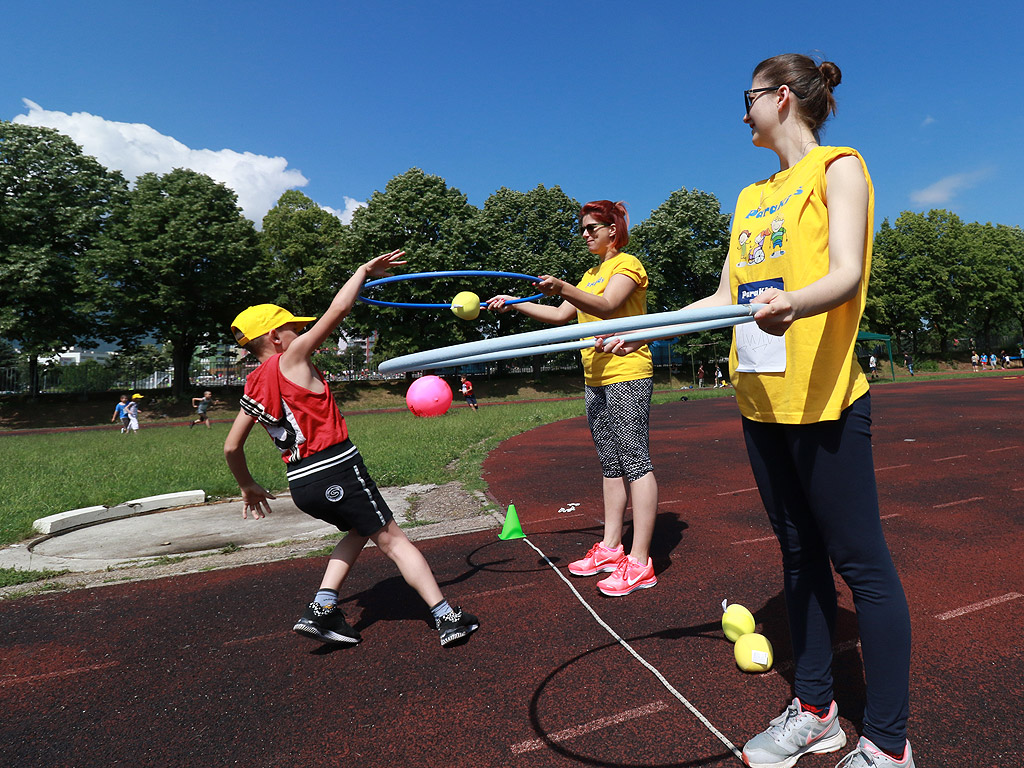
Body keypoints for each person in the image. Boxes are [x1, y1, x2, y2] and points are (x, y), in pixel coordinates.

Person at [603, 54, 914, 767]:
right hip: (762, 402)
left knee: (862, 567)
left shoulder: (839, 167)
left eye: (746, 98)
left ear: (780, 97)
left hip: (825, 398)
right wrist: (643, 326)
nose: (740, 112)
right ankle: (816, 712)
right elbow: (725, 297)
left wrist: (791, 305)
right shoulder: (750, 196)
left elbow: (845, 272)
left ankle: (891, 746)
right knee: (798, 555)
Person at [223, 250, 479, 648]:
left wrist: (248, 486)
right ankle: (446, 617)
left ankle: (322, 608)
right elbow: (338, 309)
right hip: (336, 469)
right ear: (276, 337)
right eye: (293, 328)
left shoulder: (252, 385)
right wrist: (362, 272)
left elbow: (231, 446)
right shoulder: (291, 358)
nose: (300, 334)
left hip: (302, 484)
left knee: (361, 529)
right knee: (394, 539)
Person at [486, 200, 659, 597]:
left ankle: (640, 562)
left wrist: (562, 286)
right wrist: (513, 304)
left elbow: (607, 305)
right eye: (582, 229)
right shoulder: (589, 273)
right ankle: (612, 548)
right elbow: (562, 316)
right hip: (594, 376)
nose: (584, 234)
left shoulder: (627, 265)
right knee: (611, 462)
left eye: (591, 228)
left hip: (626, 372)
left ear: (612, 231)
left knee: (635, 460)